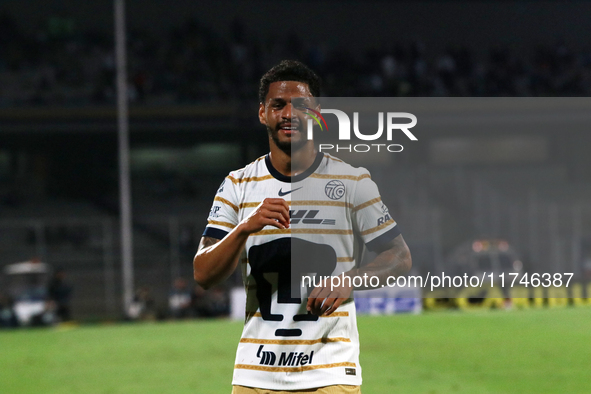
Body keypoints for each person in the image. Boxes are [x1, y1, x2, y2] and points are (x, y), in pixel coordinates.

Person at [194, 60, 411, 393]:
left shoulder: (353, 181)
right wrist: (244, 229)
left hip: (330, 372)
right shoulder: (236, 185)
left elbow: (399, 257)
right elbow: (203, 274)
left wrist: (350, 279)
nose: (289, 114)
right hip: (255, 375)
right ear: (262, 113)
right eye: (278, 104)